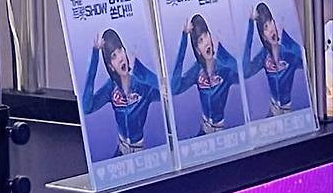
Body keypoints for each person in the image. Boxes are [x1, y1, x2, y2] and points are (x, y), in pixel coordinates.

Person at [81, 28, 163, 158]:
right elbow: (86, 107)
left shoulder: (142, 86)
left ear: (125, 51)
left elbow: (167, 90)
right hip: (120, 152)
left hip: (139, 153)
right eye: (113, 56)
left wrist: (139, 68)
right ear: (111, 66)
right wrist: (95, 56)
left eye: (120, 50)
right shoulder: (110, 87)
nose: (119, 58)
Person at [171, 14, 241, 135]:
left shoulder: (224, 69)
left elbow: (243, 72)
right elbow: (174, 88)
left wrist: (222, 51)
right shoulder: (196, 71)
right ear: (198, 49)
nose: (205, 43)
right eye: (200, 41)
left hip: (222, 130)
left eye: (206, 36)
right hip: (204, 131)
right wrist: (184, 40)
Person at [243, 1, 305, 115]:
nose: (271, 29)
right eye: (266, 27)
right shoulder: (264, 56)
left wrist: (286, 36)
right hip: (273, 111)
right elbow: (246, 71)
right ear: (263, 36)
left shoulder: (289, 54)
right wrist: (250, 27)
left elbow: (306, 61)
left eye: (271, 22)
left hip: (288, 111)